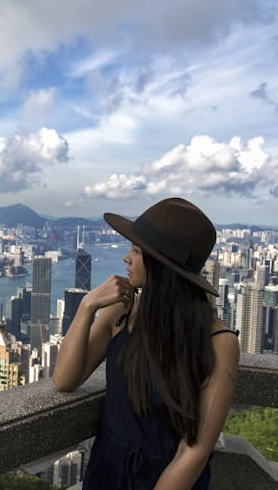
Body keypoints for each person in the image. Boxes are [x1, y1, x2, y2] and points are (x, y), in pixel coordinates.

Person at [52, 197, 240, 490]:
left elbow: (195, 450)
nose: (126, 258)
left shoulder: (219, 342)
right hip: (106, 471)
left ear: (161, 265)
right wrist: (87, 305)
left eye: (137, 250)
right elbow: (64, 379)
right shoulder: (120, 311)